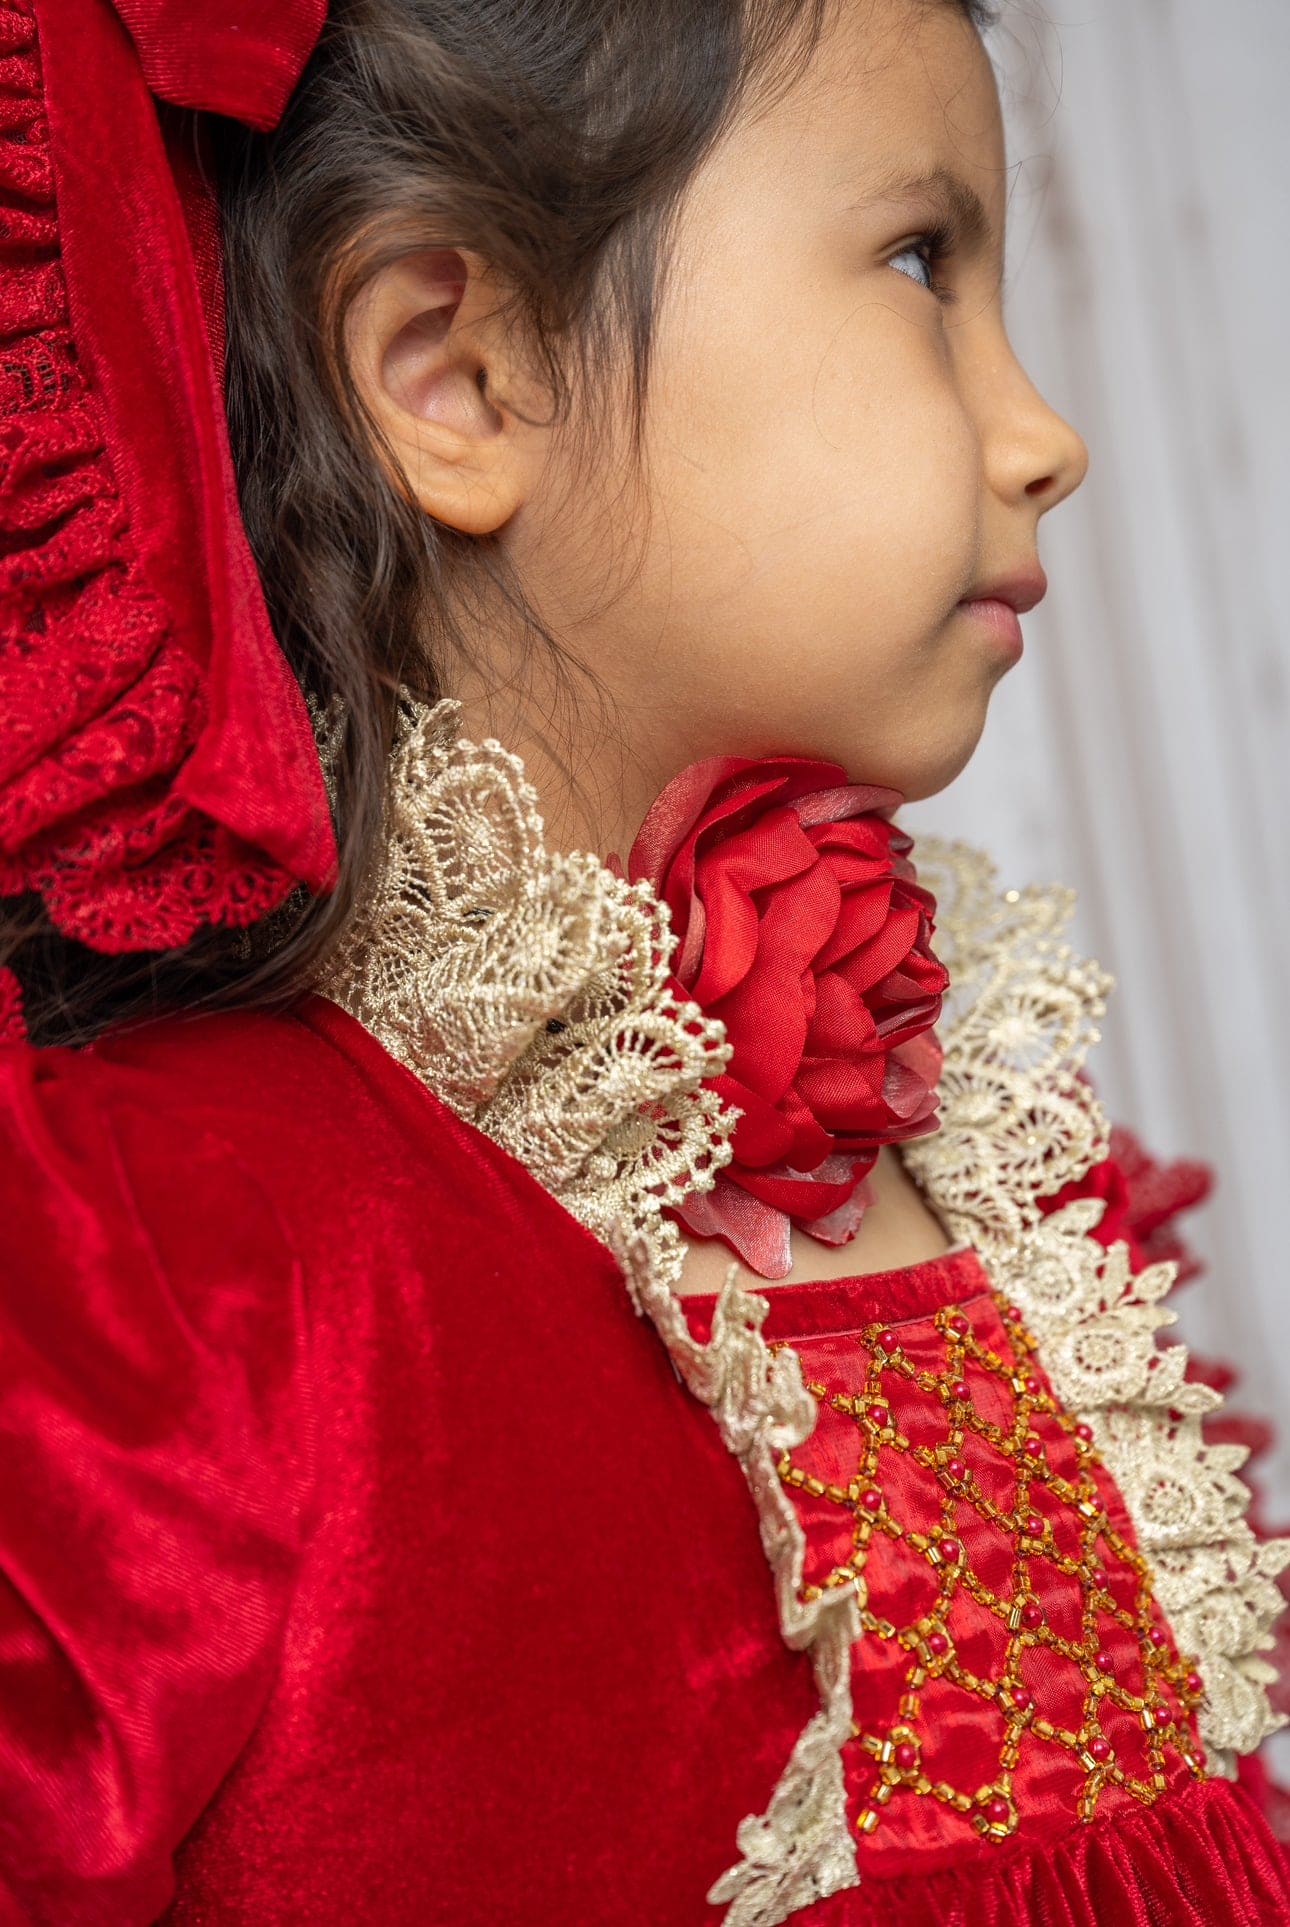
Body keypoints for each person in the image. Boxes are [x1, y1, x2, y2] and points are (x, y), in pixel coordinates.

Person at [1, 0, 1286, 1920]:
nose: (1046, 435)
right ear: (460, 377)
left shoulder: (992, 1145)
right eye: (921, 261)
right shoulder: (161, 1260)